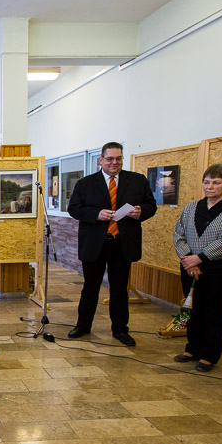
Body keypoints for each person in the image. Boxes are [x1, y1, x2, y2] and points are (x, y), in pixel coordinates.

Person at [67, 142, 157, 346]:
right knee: (90, 287)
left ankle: (120, 329)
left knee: (119, 289)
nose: (114, 162)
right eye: (110, 159)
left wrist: (140, 212)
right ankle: (83, 326)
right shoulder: (85, 183)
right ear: (101, 160)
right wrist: (96, 214)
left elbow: (151, 206)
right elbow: (74, 209)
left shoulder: (137, 181)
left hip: (122, 243)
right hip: (95, 244)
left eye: (118, 158)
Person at [173, 163, 222, 372]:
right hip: (189, 266)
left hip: (219, 268)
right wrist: (188, 259)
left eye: (216, 183)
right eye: (206, 182)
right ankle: (192, 348)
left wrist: (200, 258)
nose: (210, 187)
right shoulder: (191, 207)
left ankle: (209, 354)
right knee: (191, 307)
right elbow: (178, 234)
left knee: (213, 310)